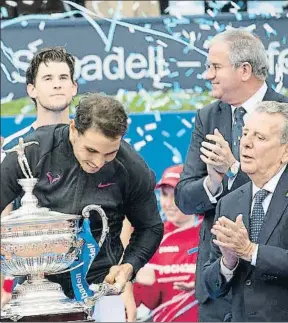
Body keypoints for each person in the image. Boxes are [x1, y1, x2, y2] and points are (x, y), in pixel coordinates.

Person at [0, 93, 164, 315]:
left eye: (110, 154)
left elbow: (151, 226)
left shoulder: (132, 168)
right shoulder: (32, 151)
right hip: (35, 291)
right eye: (91, 150)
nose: (98, 162)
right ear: (73, 129)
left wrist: (129, 267)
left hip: (101, 292)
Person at [174, 28, 288, 322]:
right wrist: (213, 182)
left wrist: (234, 169)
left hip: (276, 297)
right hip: (220, 289)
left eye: (215, 66)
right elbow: (185, 198)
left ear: (244, 70)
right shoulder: (208, 116)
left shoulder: (284, 114)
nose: (207, 74)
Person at [1, 45, 78, 305]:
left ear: (74, 87)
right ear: (31, 89)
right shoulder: (13, 148)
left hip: (95, 276)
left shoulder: (94, 141)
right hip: (32, 280)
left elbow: (120, 210)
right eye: (48, 78)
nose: (57, 85)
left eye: (63, 78)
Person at [203, 101, 288, 322]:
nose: (246, 143)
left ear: (285, 151)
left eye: (260, 138)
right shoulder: (229, 202)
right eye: (245, 133)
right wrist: (227, 263)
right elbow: (211, 287)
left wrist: (251, 251)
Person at [134, 164, 202, 322]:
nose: (169, 203)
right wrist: (141, 282)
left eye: (176, 196)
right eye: (165, 195)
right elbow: (147, 303)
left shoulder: (210, 234)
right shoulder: (152, 236)